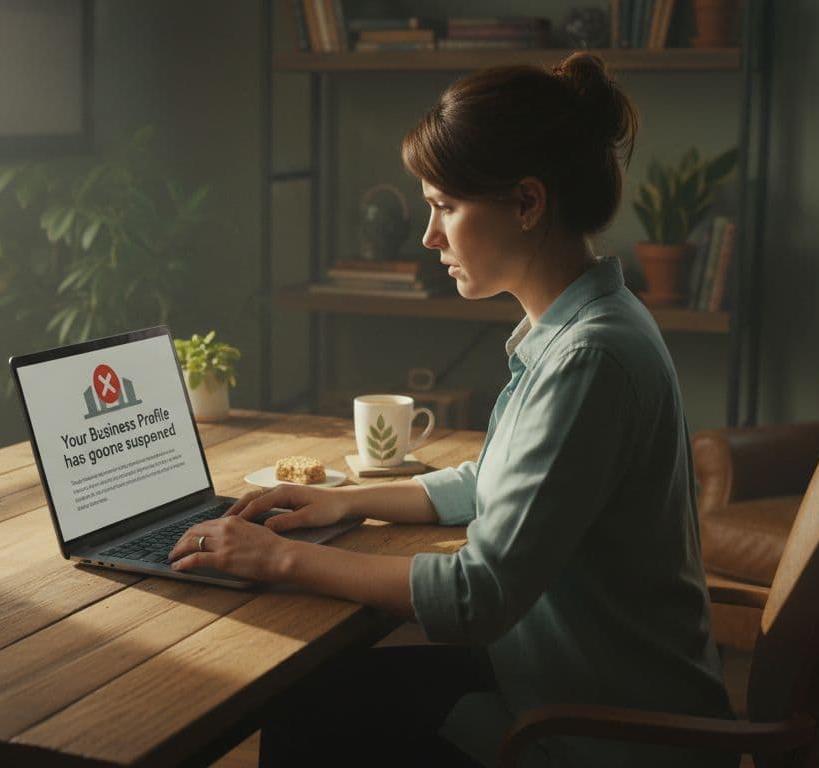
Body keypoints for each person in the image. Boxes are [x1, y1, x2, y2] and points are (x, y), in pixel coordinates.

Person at [168, 52, 734, 767]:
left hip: (602, 734)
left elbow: (480, 595)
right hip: (563, 684)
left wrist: (278, 558)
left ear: (528, 203)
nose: (431, 237)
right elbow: (493, 482)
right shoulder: (585, 325)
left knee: (306, 716)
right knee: (313, 701)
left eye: (445, 207)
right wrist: (340, 505)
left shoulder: (590, 358)